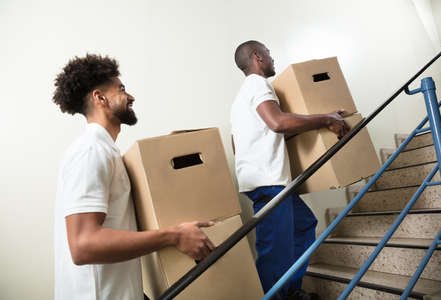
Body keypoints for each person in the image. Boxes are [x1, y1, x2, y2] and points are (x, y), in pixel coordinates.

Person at [53, 54, 215, 300]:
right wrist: (175, 235)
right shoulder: (90, 151)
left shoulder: (106, 152)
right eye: (122, 89)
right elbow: (83, 244)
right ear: (100, 97)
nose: (131, 97)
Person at [231, 41, 350, 300]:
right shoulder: (258, 84)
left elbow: (240, 141)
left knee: (303, 225)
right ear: (257, 57)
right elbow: (277, 122)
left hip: (265, 179)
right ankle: (276, 296)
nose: (272, 58)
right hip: (268, 180)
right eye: (268, 54)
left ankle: (290, 291)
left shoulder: (240, 98)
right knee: (274, 249)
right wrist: (327, 119)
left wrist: (321, 117)